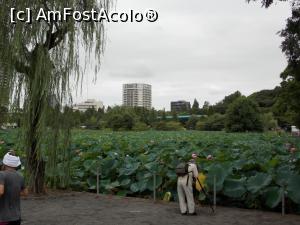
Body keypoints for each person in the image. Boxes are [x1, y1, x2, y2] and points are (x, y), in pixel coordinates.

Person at [0, 151, 27, 225]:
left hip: (3, 217)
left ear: (4, 163)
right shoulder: (20, 176)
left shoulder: (2, 174)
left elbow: (1, 191)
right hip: (16, 217)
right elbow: (25, 193)